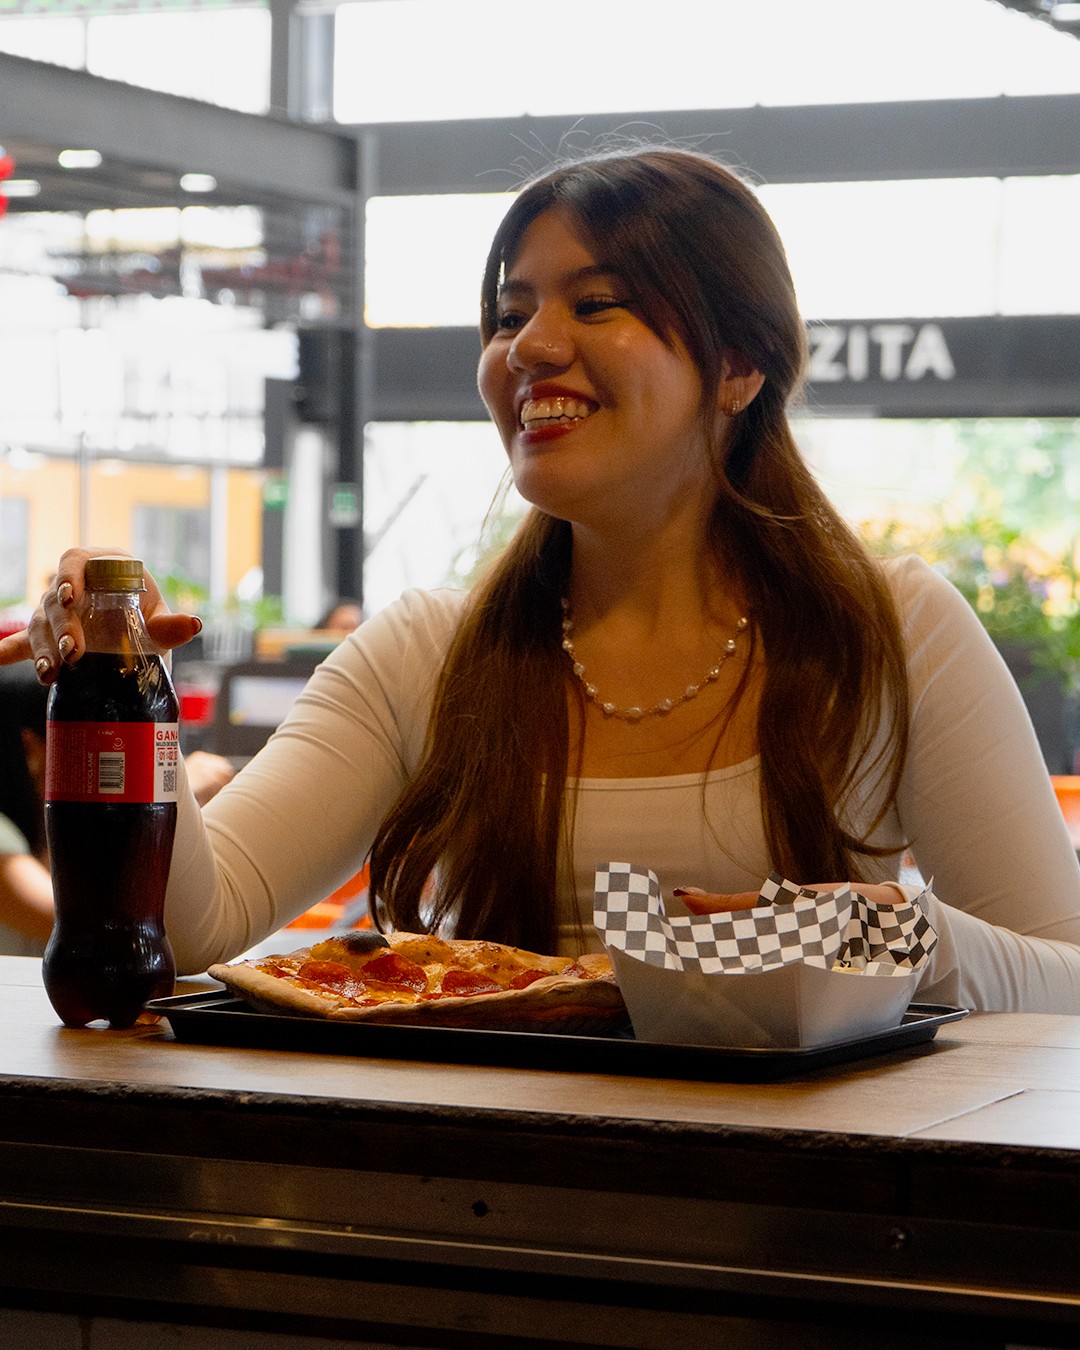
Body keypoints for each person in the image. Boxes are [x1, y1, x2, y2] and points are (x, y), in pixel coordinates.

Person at [3, 145, 1080, 1012]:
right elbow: (200, 922)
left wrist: (888, 935)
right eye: (512, 314)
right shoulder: (428, 650)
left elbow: (1067, 981)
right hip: (500, 1214)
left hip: (811, 1224)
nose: (530, 348)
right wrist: (119, 682)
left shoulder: (889, 628)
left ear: (741, 367)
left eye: (597, 303)